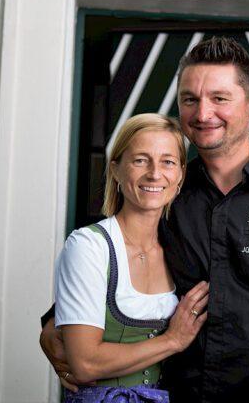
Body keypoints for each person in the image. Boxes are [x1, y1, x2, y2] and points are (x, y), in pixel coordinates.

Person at [41, 37, 249, 402]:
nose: (203, 113)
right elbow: (114, 267)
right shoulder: (168, 194)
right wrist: (52, 325)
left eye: (219, 98)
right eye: (190, 99)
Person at [52, 113, 209, 402]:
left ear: (180, 176)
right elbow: (85, 363)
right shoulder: (89, 246)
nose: (154, 173)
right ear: (115, 169)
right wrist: (172, 340)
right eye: (140, 160)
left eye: (168, 162)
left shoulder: (182, 249)